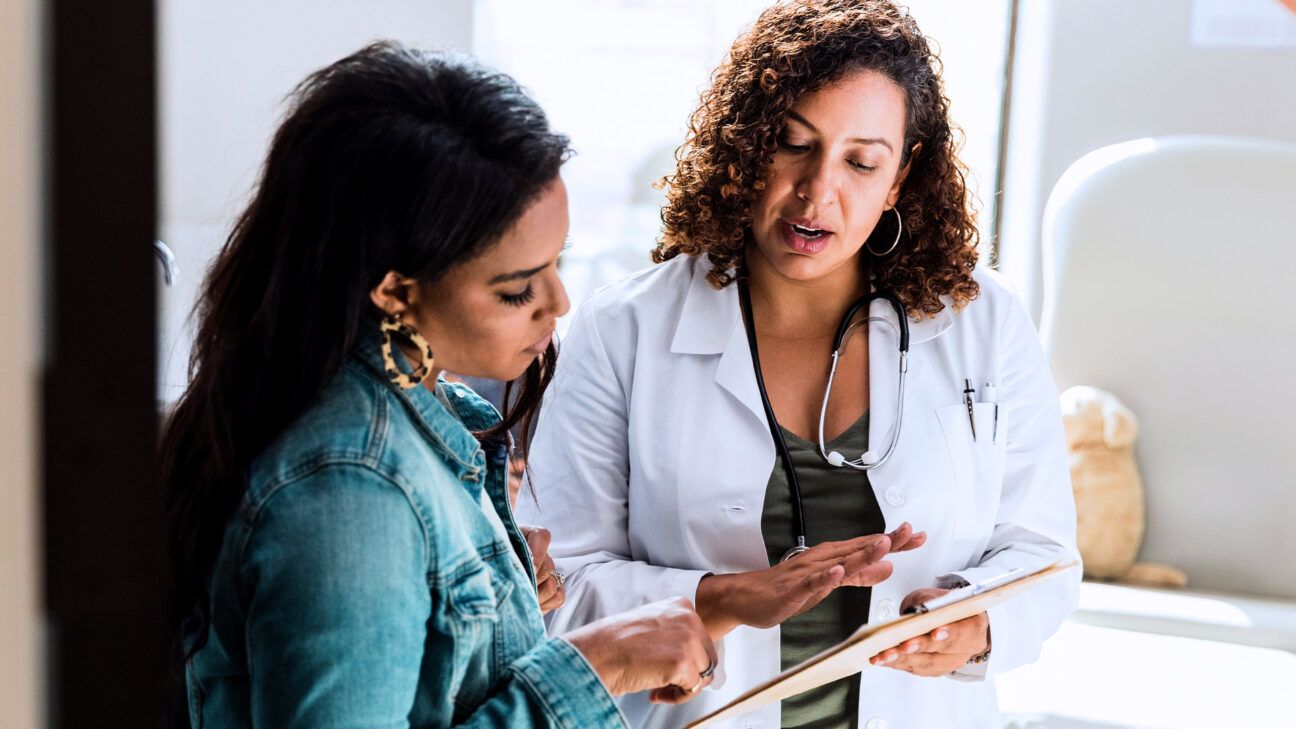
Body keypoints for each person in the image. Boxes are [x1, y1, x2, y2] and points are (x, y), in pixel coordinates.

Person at [516, 2, 1079, 728]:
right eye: (792, 144)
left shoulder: (983, 321)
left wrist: (970, 626)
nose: (818, 190)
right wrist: (722, 596)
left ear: (901, 177)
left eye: (861, 160)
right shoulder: (625, 327)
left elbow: (1044, 556)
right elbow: (556, 584)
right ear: (746, 147)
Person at [160, 42, 718, 728]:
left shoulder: (411, 413)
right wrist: (595, 667)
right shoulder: (351, 488)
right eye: (517, 290)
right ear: (395, 290)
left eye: (556, 262)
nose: (559, 302)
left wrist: (502, 606)